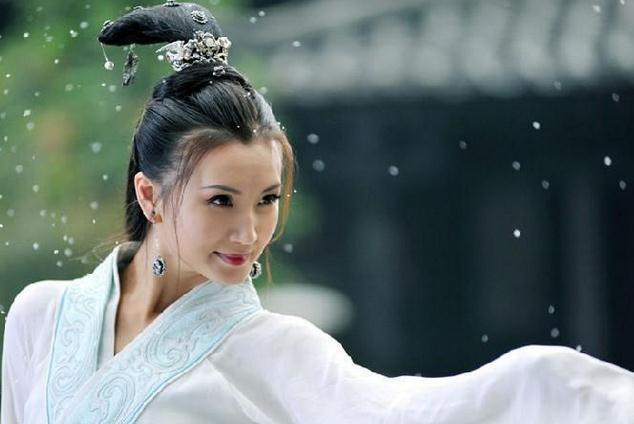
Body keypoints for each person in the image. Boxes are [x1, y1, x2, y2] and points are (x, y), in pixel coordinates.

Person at [1, 2, 633, 423]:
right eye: (221, 200)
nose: (249, 232)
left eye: (267, 201)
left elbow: (413, 414)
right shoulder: (41, 314)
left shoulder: (277, 350)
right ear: (150, 196)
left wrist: (549, 382)